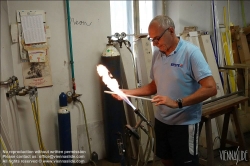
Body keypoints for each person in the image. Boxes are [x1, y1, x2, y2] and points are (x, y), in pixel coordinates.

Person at [113, 15, 217, 166]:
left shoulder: (191, 53)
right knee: (166, 160)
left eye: (157, 39)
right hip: (162, 121)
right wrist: (125, 92)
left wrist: (177, 103)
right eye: (151, 39)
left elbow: (211, 88)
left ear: (171, 31)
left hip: (184, 124)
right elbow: (153, 86)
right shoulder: (158, 54)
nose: (154, 44)